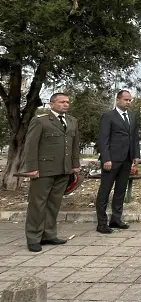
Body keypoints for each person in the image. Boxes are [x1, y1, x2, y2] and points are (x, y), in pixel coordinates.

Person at [23, 93, 80, 252]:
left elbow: (75, 144)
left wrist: (75, 165)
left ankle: (49, 234)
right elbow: (31, 145)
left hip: (63, 170)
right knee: (37, 204)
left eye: (67, 102)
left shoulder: (72, 121)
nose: (65, 104)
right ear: (52, 104)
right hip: (43, 170)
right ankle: (33, 238)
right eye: (62, 102)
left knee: (54, 204)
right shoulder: (40, 121)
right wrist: (32, 168)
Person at [96, 89, 140, 233]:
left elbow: (134, 137)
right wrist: (106, 158)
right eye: (126, 100)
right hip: (112, 160)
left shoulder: (132, 117)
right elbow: (103, 139)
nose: (128, 102)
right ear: (118, 100)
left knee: (120, 191)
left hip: (126, 160)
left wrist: (136, 155)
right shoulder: (108, 116)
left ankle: (116, 219)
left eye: (130, 100)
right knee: (105, 191)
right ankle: (102, 224)